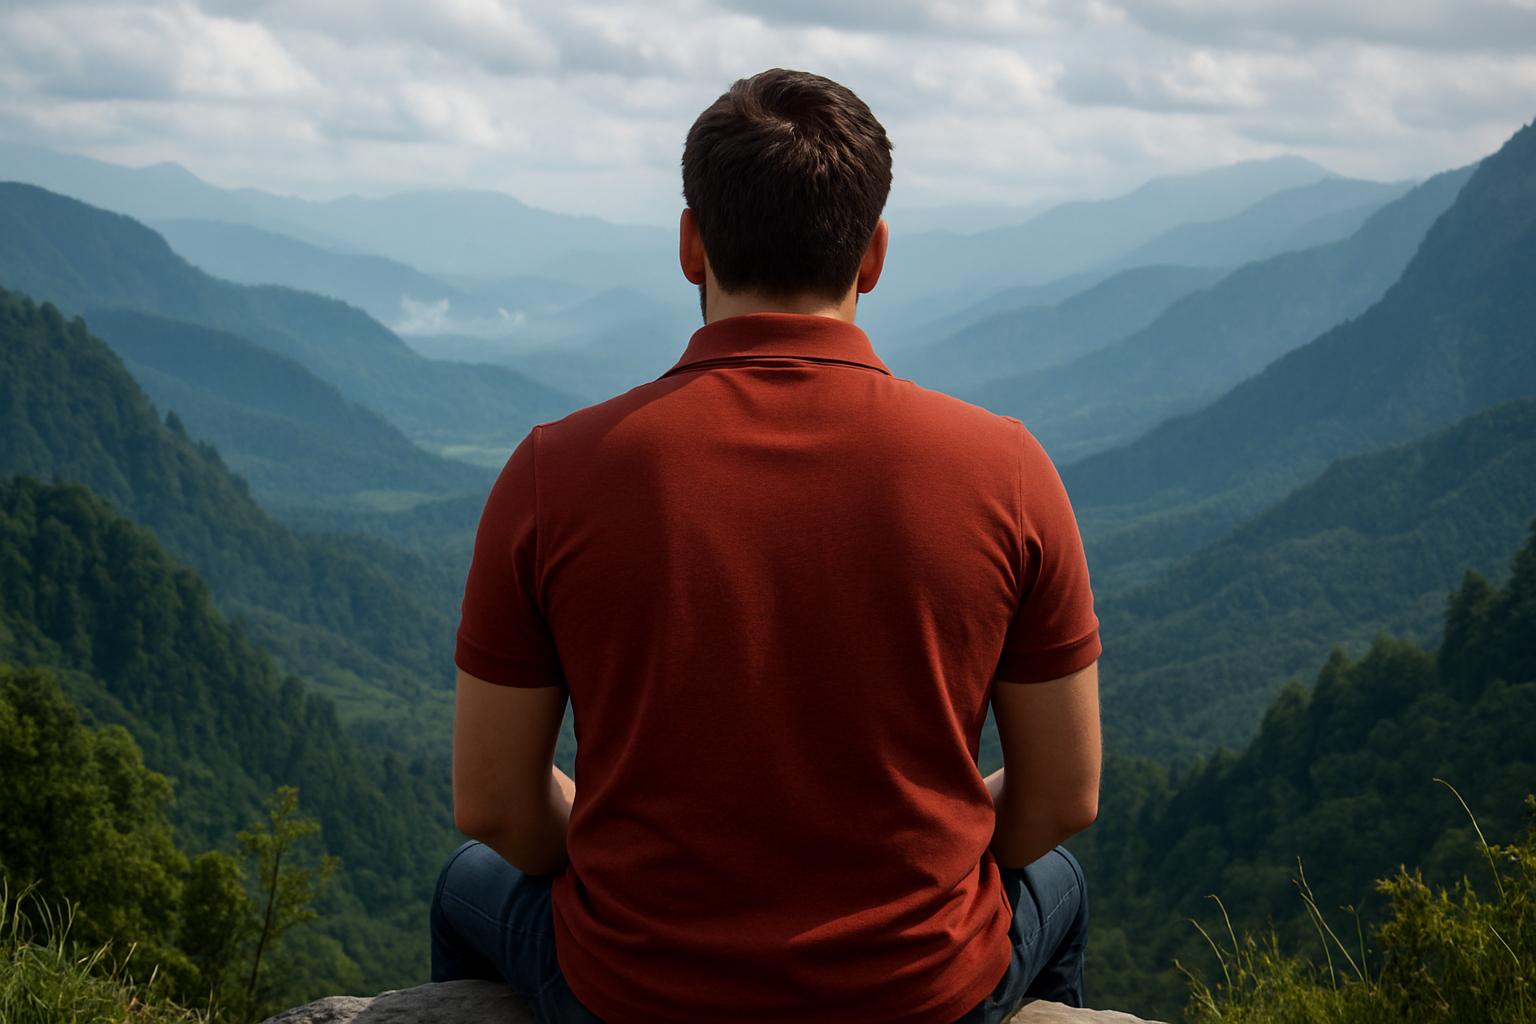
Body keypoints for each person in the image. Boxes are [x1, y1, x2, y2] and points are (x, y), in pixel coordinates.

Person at [432, 68, 1102, 1024]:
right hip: (917, 993)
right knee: (1060, 879)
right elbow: (1063, 796)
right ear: (873, 255)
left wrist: (626, 854)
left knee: (468, 880)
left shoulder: (553, 471)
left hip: (638, 993)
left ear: (689, 244)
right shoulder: (1009, 468)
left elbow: (496, 806)